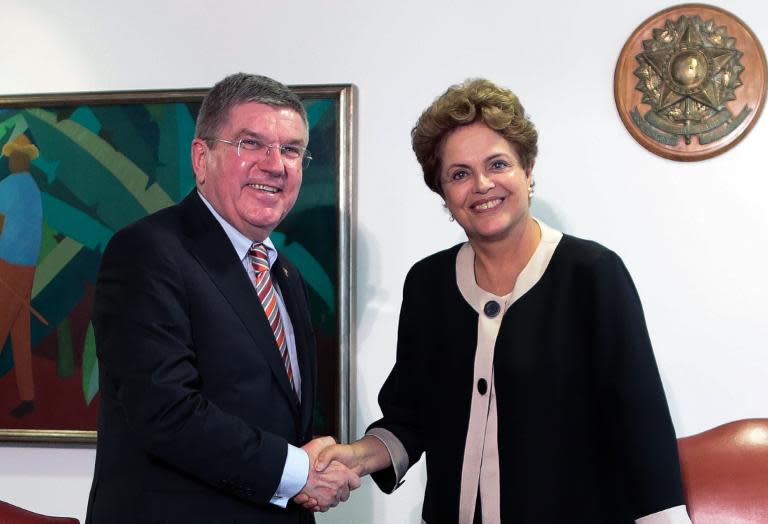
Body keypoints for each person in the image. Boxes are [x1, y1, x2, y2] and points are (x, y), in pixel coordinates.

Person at [302, 79, 692, 523]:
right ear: (444, 193)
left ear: (527, 171)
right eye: (460, 173)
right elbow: (409, 418)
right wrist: (354, 457)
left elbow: (641, 426)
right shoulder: (428, 284)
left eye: (498, 164)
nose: (482, 185)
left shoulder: (592, 275)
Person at [85, 72, 359, 524]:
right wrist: (299, 472)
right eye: (250, 144)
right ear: (201, 158)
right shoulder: (147, 251)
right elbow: (166, 411)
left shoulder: (283, 273)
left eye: (291, 150)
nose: (275, 164)